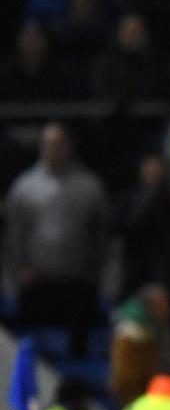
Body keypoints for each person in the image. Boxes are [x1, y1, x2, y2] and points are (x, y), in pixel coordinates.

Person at [4, 122, 109, 357]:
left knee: (78, 349)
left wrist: (95, 269)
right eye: (49, 144)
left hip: (78, 281)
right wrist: (19, 267)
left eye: (60, 144)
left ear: (70, 147)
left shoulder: (89, 186)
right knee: (33, 349)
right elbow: (15, 233)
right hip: (36, 279)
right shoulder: (25, 186)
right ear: (41, 146)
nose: (54, 149)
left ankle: (77, 391)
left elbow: (100, 233)